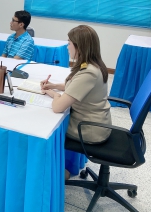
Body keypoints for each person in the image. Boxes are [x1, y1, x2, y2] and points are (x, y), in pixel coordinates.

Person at [41, 25, 112, 179]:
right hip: (97, 122)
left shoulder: (88, 73)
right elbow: (74, 85)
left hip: (89, 129)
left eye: (69, 43)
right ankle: (65, 167)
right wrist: (53, 85)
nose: (67, 47)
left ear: (79, 47)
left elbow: (58, 107)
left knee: (47, 127)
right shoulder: (93, 65)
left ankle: (55, 173)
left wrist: (53, 94)